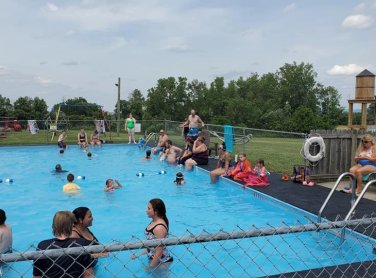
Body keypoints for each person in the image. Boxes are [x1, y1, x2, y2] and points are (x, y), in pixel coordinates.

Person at [33, 211, 94, 278]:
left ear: (54, 225)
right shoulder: (81, 243)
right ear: (72, 226)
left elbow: (37, 275)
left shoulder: (43, 245)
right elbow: (88, 274)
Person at [131, 198, 173, 268]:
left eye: (149, 208)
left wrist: (149, 268)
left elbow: (159, 252)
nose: (146, 210)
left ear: (156, 211)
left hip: (162, 264)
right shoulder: (154, 221)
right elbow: (151, 244)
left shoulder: (159, 228)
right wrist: (139, 254)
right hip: (155, 261)